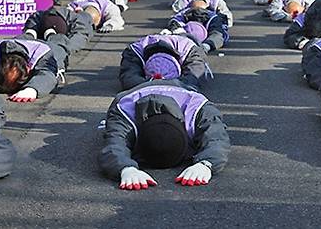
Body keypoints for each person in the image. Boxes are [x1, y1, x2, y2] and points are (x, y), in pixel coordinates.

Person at [98, 80, 230, 189]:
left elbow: (217, 138)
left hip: (181, 86)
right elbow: (114, 144)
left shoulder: (199, 108)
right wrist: (125, 168)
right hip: (133, 92)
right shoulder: (124, 113)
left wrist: (206, 164)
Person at [0, 39, 60, 103]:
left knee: (58, 44)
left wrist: (32, 89)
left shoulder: (42, 53)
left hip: (40, 42)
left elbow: (48, 74)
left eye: (14, 86)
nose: (8, 92)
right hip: (12, 41)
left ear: (28, 69)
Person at [119, 34, 209, 91]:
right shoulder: (134, 51)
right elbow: (129, 79)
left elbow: (193, 79)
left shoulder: (191, 50)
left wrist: (153, 84)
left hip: (185, 38)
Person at [21, 6, 95, 70]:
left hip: (85, 18)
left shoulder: (78, 21)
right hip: (54, 18)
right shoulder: (38, 17)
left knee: (87, 16)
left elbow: (80, 37)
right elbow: (27, 34)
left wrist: (63, 47)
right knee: (30, 34)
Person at [163, 6, 230, 53]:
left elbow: (219, 36)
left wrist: (206, 46)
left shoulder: (215, 21)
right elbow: (174, 22)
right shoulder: (184, 16)